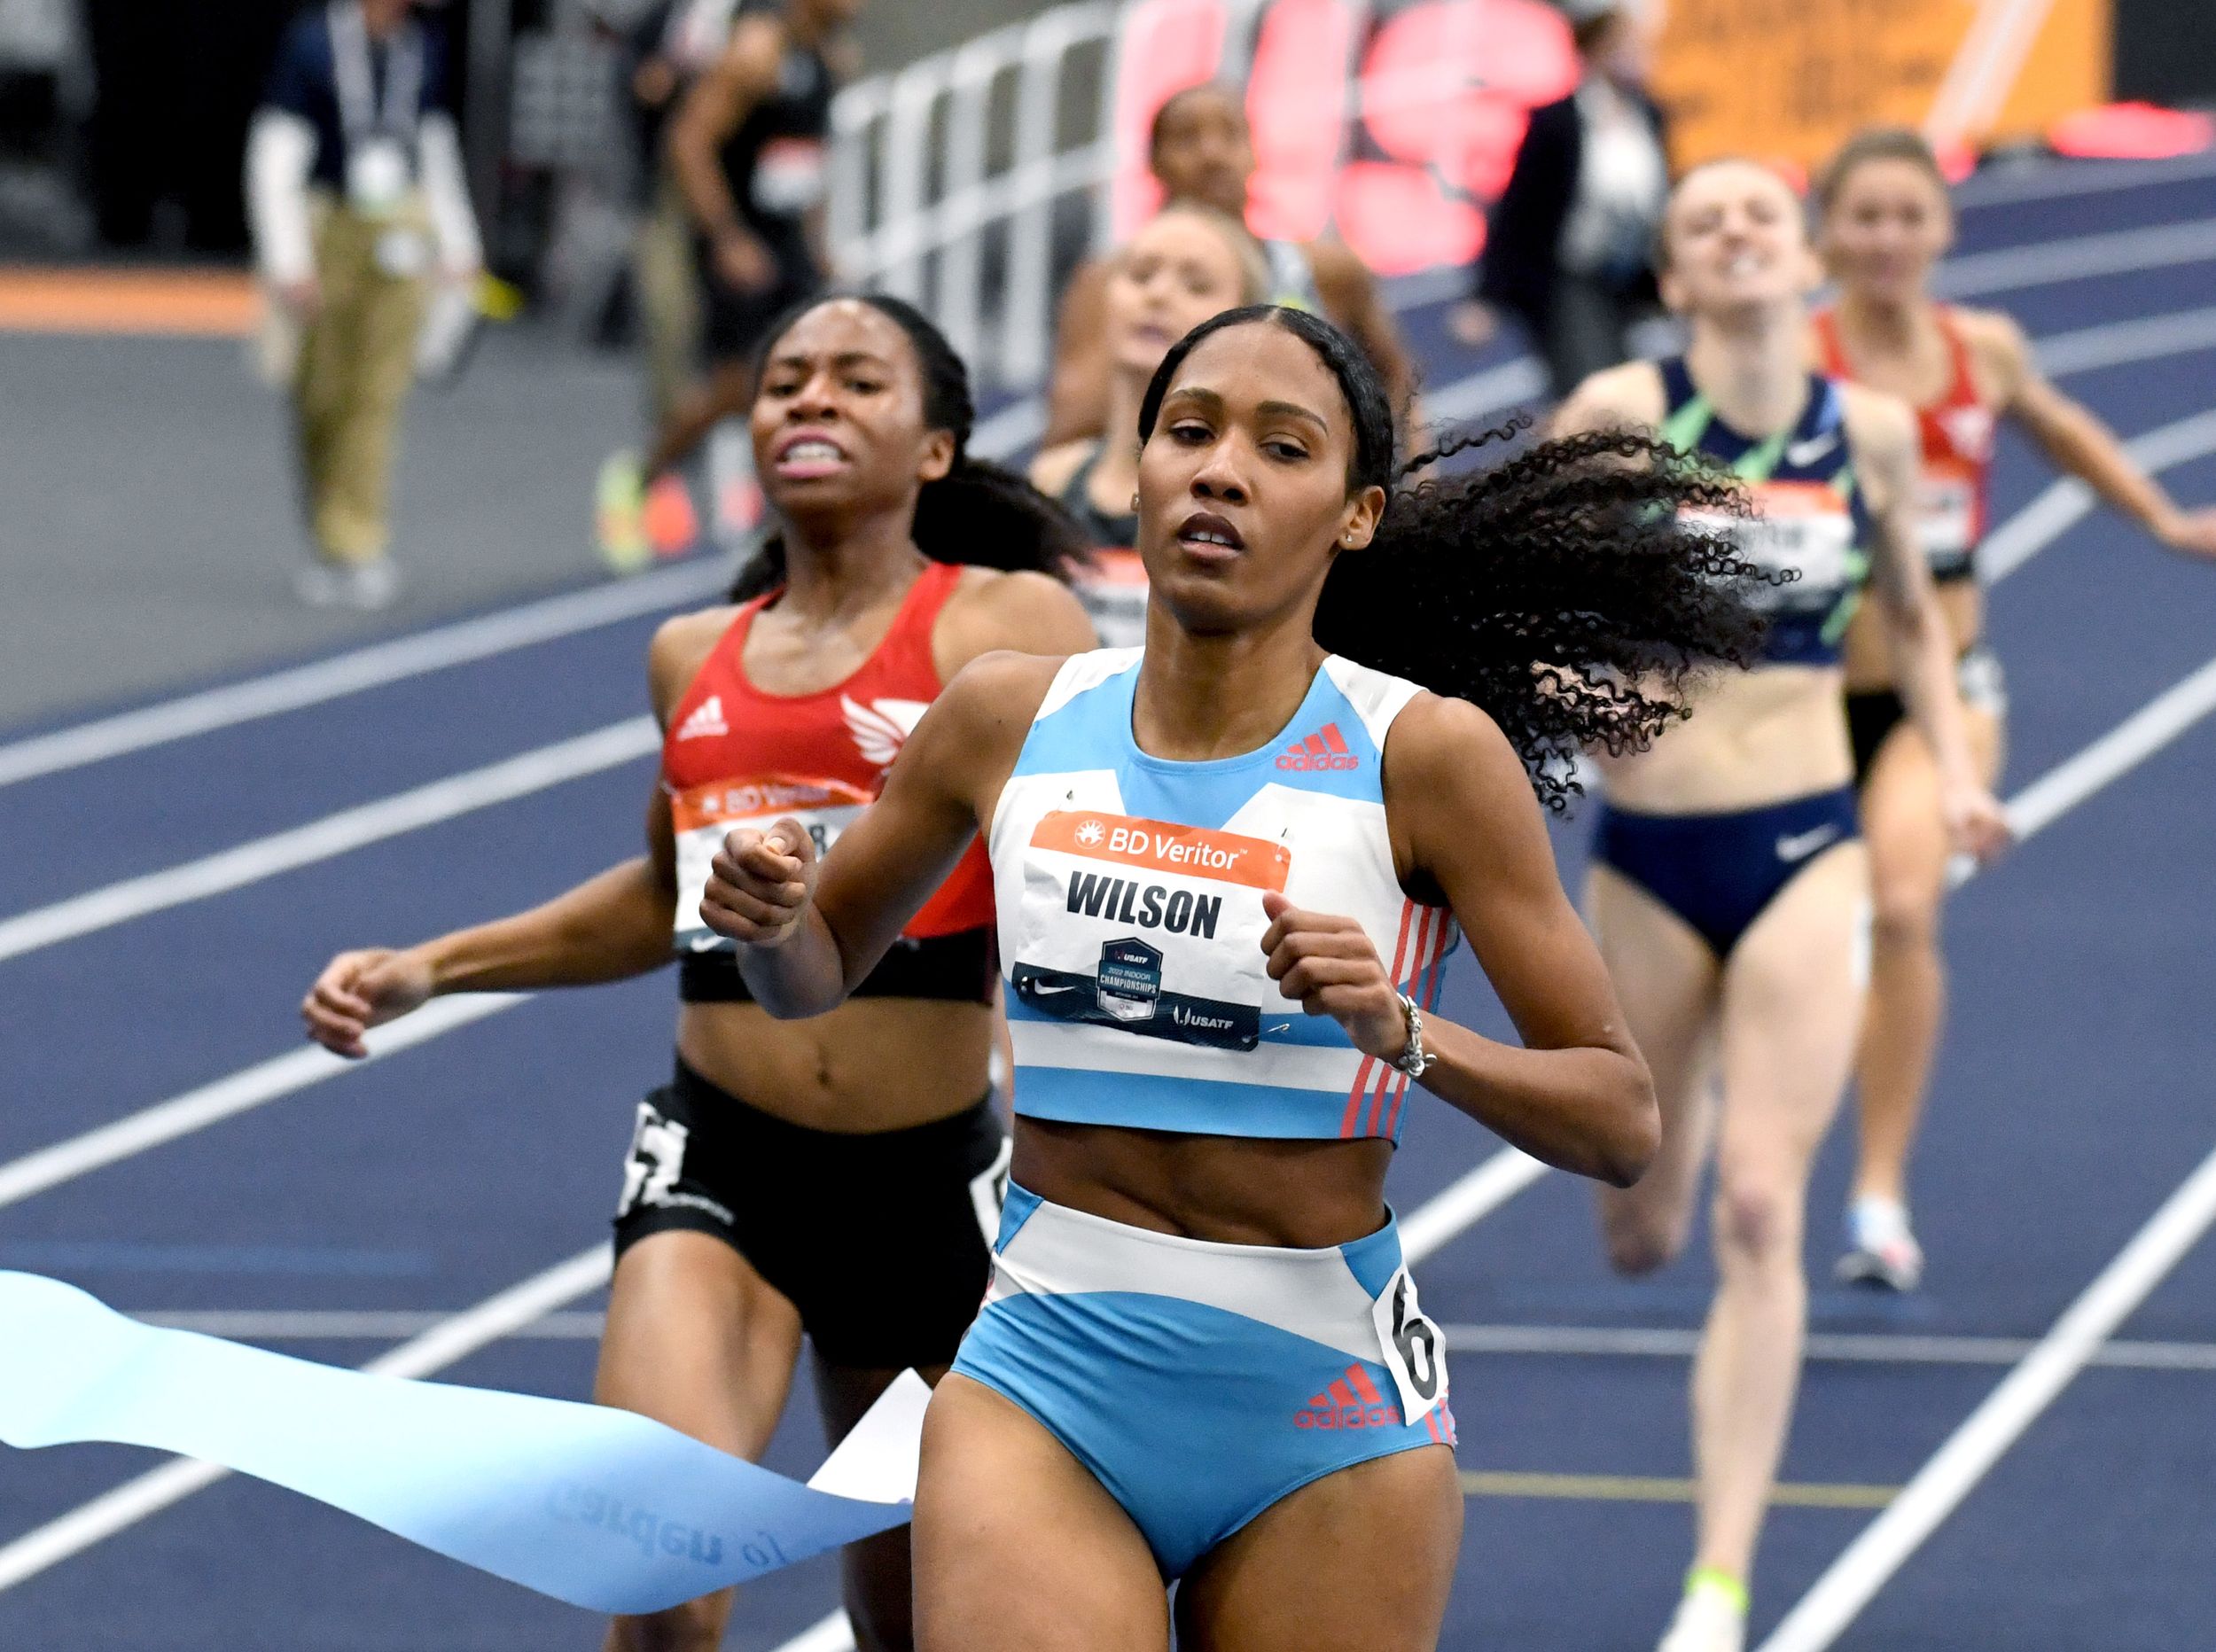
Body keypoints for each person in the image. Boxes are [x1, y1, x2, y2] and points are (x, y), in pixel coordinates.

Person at [696, 301, 1775, 1649]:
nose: (1220, 471)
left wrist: (1407, 1032)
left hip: (1320, 1410)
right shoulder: (1006, 717)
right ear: (1138, 469)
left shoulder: (1424, 758)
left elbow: (1620, 1120)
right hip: (1046, 1374)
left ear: (1356, 513)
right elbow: (812, 977)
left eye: (1282, 447)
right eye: (1189, 433)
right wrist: (767, 922)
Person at [301, 294, 1097, 1652]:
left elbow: (1110, 851)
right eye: (786, 381)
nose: (810, 401)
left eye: (857, 381)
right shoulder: (695, 658)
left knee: (922, 1618)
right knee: (659, 1585)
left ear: (938, 449)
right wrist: (434, 968)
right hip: (723, 1165)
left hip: (931, 1191)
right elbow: (665, 898)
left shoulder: (1006, 626)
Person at [1552, 160, 2012, 1652]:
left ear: (1800, 257)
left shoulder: (1865, 430)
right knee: (1644, 1218)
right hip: (1652, 854)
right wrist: (1574, 687)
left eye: (1761, 213)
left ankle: (1720, 1578)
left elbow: (1917, 631)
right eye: (1705, 222)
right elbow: (1521, 605)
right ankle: (1658, 1179)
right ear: (1678, 277)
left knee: (1764, 1203)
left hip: (1809, 832)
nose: (1738, 230)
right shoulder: (1620, 408)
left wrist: (1950, 770)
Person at [1810, 126, 2216, 1291]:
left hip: (1944, 688)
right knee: (1752, 946)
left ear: (1942, 228)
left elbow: (2062, 430)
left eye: (1908, 215)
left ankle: (1877, 1198)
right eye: (1865, 215)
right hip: (1793, 697)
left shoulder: (1981, 348)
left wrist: (2165, 520)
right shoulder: (1792, 356)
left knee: (1900, 912)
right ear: (1828, 231)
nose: (1887, 238)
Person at [597, 0, 861, 568]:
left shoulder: (829, 55)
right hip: (740, 240)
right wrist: (725, 237)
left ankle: (780, 524)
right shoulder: (757, 51)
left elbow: (807, 155)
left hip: (787, 241)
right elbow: (689, 143)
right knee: (737, 386)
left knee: (812, 379)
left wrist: (818, 245)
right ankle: (639, 475)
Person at [246, 0, 482, 609]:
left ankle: (360, 540)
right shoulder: (315, 43)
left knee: (377, 395)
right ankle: (330, 531)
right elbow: (275, 153)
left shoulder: (421, 47)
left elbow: (433, 145)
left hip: (399, 229)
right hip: (330, 226)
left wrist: (458, 240)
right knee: (321, 396)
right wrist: (289, 260)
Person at [1041, 83, 1417, 449]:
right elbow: (1069, 431)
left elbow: (1396, 379)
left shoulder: (1329, 271)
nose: (1212, 153)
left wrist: (1408, 477)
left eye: (1230, 134)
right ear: (1155, 164)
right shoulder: (1112, 283)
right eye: (1187, 138)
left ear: (1255, 152)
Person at [1030, 202, 1268, 644]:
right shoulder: (1051, 479)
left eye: (1196, 285)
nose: (1158, 295)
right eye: (1140, 275)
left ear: (1246, 322)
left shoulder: (1248, 492)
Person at [1452, 0, 1669, 400]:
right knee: (1591, 389)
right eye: (1627, 46)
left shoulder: (1650, 116)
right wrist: (1486, 297)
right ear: (1597, 49)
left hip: (1631, 279)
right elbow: (1518, 211)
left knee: (1636, 383)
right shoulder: (1559, 121)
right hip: (1570, 277)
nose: (1640, 57)